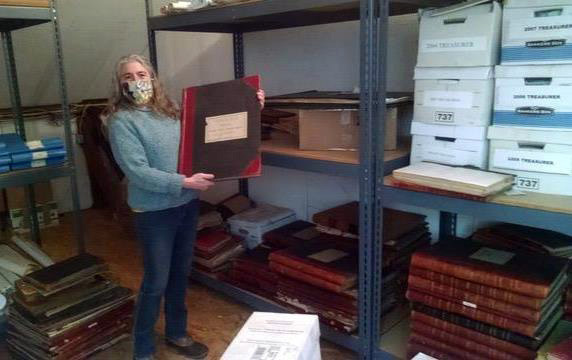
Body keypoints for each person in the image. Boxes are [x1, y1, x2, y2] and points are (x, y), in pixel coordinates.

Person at [106, 54, 264, 360]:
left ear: (152, 77)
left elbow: (213, 133)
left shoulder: (173, 113)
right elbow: (137, 172)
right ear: (120, 84)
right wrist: (184, 182)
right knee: (156, 281)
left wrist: (251, 106)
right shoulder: (121, 121)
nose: (137, 81)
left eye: (141, 74)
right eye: (128, 77)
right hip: (153, 212)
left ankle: (177, 333)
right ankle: (143, 349)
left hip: (185, 205)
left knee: (180, 274)